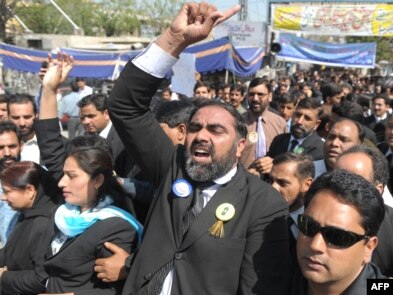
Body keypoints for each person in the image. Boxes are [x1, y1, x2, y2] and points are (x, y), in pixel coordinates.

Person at [108, 3, 291, 294]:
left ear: (240, 144)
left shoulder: (264, 204)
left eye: (216, 130)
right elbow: (125, 106)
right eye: (195, 128)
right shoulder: (173, 167)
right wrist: (174, 39)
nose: (201, 136)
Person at [42, 147, 142, 294]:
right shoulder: (62, 215)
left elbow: (116, 290)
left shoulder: (116, 226)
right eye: (63, 175)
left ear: (97, 181)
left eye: (72, 176)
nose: (61, 183)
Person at [292, 170, 386, 295]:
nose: (315, 245)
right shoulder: (272, 282)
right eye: (308, 226)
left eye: (337, 236)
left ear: (369, 247)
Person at [0, 161, 59, 294]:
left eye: (7, 191)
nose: (3, 197)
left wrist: (4, 277)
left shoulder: (43, 224)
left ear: (30, 190)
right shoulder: (27, 215)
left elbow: (41, 279)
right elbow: (10, 252)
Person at [335, 145, 393, 276]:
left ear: (378, 190)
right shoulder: (316, 216)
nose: (341, 188)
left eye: (354, 182)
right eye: (336, 178)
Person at [270, 152, 314, 269]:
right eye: (270, 180)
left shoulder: (313, 225)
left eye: (282, 183)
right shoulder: (259, 214)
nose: (273, 187)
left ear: (306, 185)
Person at [240, 77, 287, 177]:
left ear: (270, 97)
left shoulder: (280, 123)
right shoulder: (237, 122)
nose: (255, 99)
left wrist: (274, 162)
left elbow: (286, 155)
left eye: (260, 94)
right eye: (251, 94)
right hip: (242, 180)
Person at [0, 122, 24, 247]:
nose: (7, 153)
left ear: (21, 146)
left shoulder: (37, 176)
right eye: (1, 148)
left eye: (12, 146)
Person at [7, 94, 40, 164]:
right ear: (8, 116)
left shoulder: (52, 143)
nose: (22, 123)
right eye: (16, 118)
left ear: (36, 115)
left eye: (27, 117)